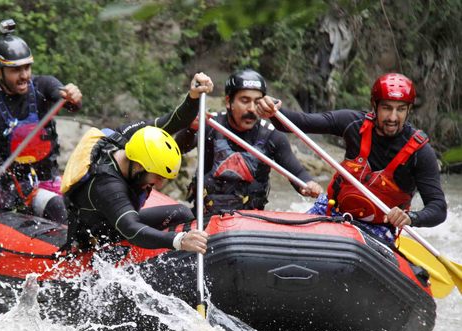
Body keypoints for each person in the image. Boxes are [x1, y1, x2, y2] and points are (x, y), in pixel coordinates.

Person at [255, 72, 447, 243]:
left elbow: (438, 208)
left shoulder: (420, 152)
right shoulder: (353, 124)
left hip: (378, 228)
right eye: (387, 108)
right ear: (375, 105)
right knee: (292, 244)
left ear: (408, 110)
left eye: (401, 109)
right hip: (331, 211)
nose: (393, 117)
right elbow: (298, 123)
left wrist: (412, 217)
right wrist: (274, 109)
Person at [61, 73, 213, 254]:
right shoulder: (107, 185)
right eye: (157, 176)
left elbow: (171, 122)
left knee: (183, 213)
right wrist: (178, 241)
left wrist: (193, 97)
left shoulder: (130, 139)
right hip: (98, 238)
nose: (160, 184)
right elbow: (132, 229)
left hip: (116, 220)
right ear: (140, 166)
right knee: (148, 234)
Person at [0, 19, 82, 224]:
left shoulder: (44, 87)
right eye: (16, 70)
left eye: (27, 68)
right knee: (55, 206)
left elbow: (70, 104)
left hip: (47, 181)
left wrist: (73, 96)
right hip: (8, 190)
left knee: (62, 207)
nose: (24, 75)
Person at [174, 69, 322, 213]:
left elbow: (297, 173)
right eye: (244, 101)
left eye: (257, 102)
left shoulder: (272, 135)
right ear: (228, 102)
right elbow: (178, 148)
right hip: (206, 217)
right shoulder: (209, 124)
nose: (251, 109)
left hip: (250, 222)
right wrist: (191, 128)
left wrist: (308, 185)